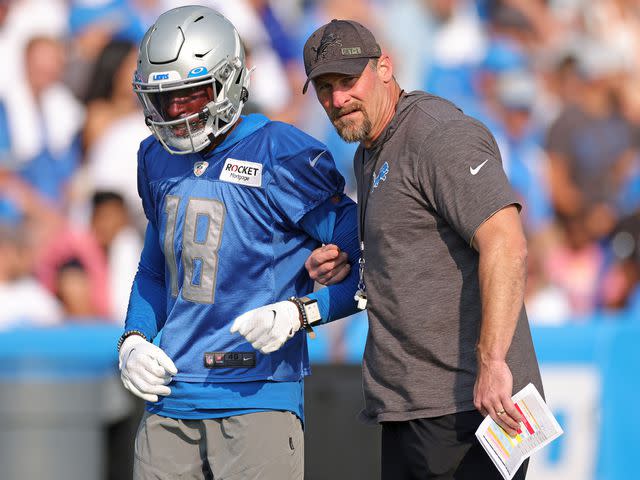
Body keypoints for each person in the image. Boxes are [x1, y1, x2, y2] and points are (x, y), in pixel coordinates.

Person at [283, 19, 543, 479]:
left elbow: (507, 243)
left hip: (471, 406)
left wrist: (493, 362)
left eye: (347, 80)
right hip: (411, 407)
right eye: (324, 88)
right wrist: (355, 264)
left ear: (385, 66)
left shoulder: (437, 134)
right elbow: (416, 251)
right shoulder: (370, 149)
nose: (337, 99)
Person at [116, 6, 360, 480]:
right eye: (166, 100)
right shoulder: (154, 157)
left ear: (228, 82)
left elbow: (369, 258)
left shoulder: (283, 153)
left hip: (257, 397)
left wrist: (301, 312)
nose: (178, 113)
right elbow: (155, 268)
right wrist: (133, 338)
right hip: (170, 398)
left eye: (191, 95)